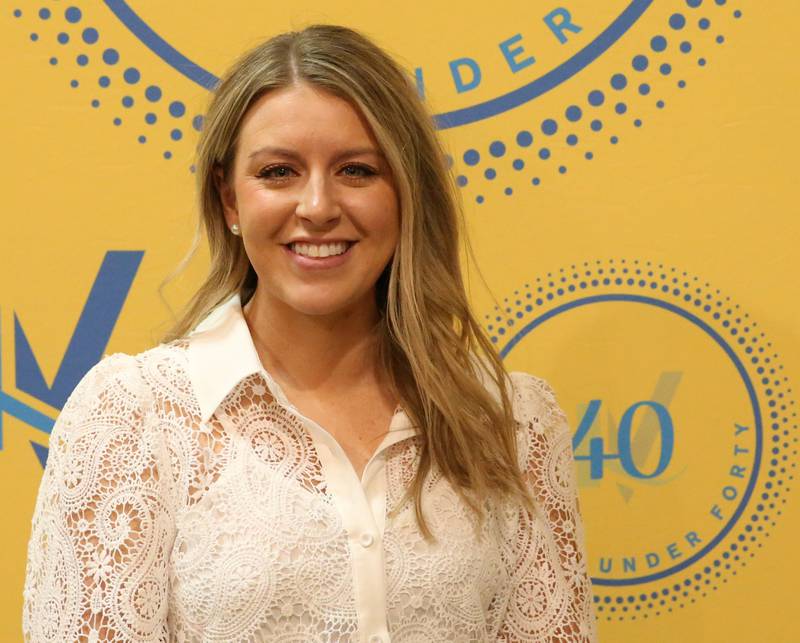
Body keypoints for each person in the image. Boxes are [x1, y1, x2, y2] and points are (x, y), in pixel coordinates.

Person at [22, 23, 597, 642]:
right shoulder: (134, 419)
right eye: (278, 172)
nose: (318, 205)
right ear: (229, 202)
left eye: (355, 170)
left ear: (407, 195)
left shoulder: (510, 422)